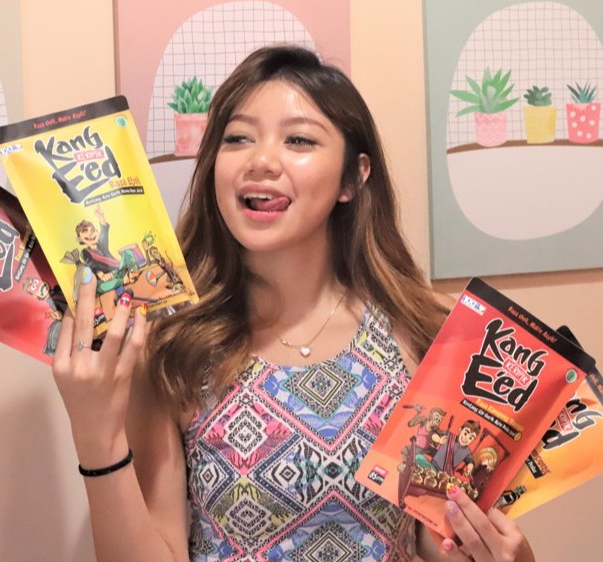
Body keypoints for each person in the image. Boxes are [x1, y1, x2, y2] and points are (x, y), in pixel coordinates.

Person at [52, 45, 535, 561]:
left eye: (299, 139)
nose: (261, 161)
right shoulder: (175, 346)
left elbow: (433, 537)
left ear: (353, 178)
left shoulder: (420, 330)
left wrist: (506, 555)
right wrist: (96, 437)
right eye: (238, 138)